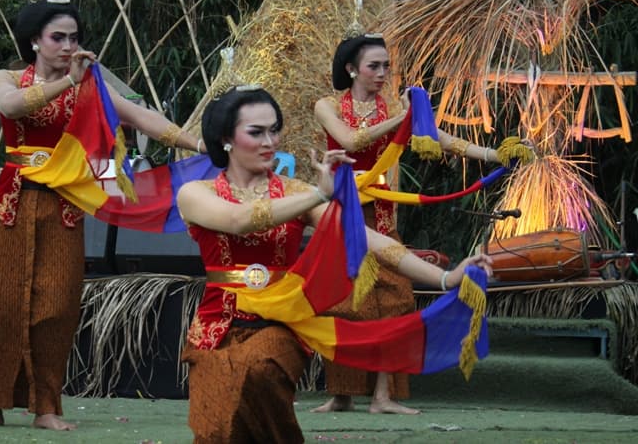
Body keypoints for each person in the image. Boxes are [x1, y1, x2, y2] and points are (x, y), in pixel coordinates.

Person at [177, 85, 493, 443]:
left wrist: (446, 278)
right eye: (256, 132)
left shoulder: (297, 193)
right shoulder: (195, 193)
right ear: (225, 139)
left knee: (259, 368)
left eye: (273, 129)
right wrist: (318, 194)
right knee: (217, 425)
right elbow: (240, 220)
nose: (270, 140)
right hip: (218, 322)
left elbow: (376, 242)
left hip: (283, 319)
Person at [0, 0, 202, 431]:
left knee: (56, 306)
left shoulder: (91, 86)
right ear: (35, 42)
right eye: (57, 38)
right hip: (12, 204)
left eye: (74, 38)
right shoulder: (8, 78)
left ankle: (47, 407)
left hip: (65, 206)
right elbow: (11, 108)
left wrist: (202, 146)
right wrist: (68, 83)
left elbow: (143, 118)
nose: (68, 46)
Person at [312, 32, 524, 415]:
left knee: (394, 301)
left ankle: (382, 397)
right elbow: (351, 140)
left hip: (384, 214)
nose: (382, 73)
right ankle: (341, 394)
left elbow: (440, 139)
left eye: (386, 67)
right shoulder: (327, 106)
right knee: (341, 304)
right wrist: (402, 118)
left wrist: (494, 153)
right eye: (373, 66)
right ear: (351, 69)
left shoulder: (391, 106)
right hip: (341, 213)